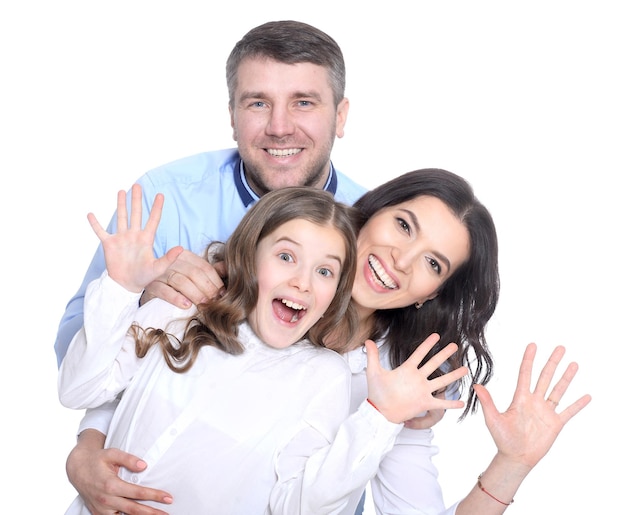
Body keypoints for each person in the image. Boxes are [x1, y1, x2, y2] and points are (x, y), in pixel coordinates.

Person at [62, 169, 591, 514]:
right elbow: (131, 381)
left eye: (433, 263)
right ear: (371, 210)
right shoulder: (246, 280)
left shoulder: (395, 388)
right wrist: (86, 454)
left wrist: (513, 462)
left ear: (434, 292)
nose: (402, 261)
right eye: (404, 226)